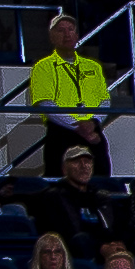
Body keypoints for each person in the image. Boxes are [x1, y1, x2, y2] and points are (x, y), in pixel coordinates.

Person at [26, 14, 110, 179]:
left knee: (101, 180)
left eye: (70, 29)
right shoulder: (43, 67)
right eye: (61, 30)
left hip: (92, 129)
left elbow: (104, 100)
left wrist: (93, 122)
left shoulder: (93, 66)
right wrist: (77, 126)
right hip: (61, 132)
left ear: (77, 35)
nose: (67, 34)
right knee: (58, 182)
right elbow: (45, 103)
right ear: (52, 37)